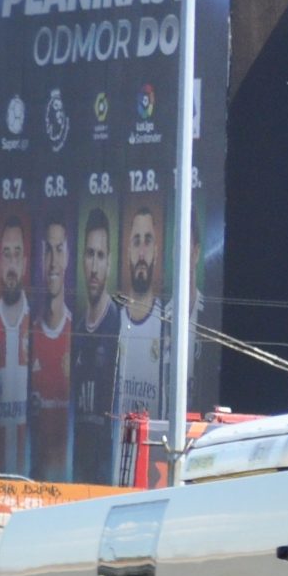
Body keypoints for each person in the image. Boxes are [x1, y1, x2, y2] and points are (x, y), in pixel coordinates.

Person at [113, 203, 171, 477]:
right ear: (127, 252)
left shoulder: (167, 324)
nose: (142, 251)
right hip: (117, 461)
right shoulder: (115, 321)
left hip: (153, 463)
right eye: (136, 241)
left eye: (148, 241)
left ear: (157, 252)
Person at [72, 208, 121, 485]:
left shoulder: (117, 325)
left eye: (100, 256)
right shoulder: (77, 330)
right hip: (79, 466)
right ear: (81, 259)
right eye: (89, 254)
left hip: (107, 469)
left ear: (109, 263)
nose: (94, 267)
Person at [0, 211, 31, 478]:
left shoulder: (36, 320)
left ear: (24, 262)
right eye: (6, 254)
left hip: (33, 482)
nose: (11, 264)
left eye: (17, 254)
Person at [29, 218, 74, 482]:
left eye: (59, 249)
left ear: (68, 257)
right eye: (47, 250)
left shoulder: (76, 334)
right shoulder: (28, 336)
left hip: (70, 490)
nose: (53, 261)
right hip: (30, 483)